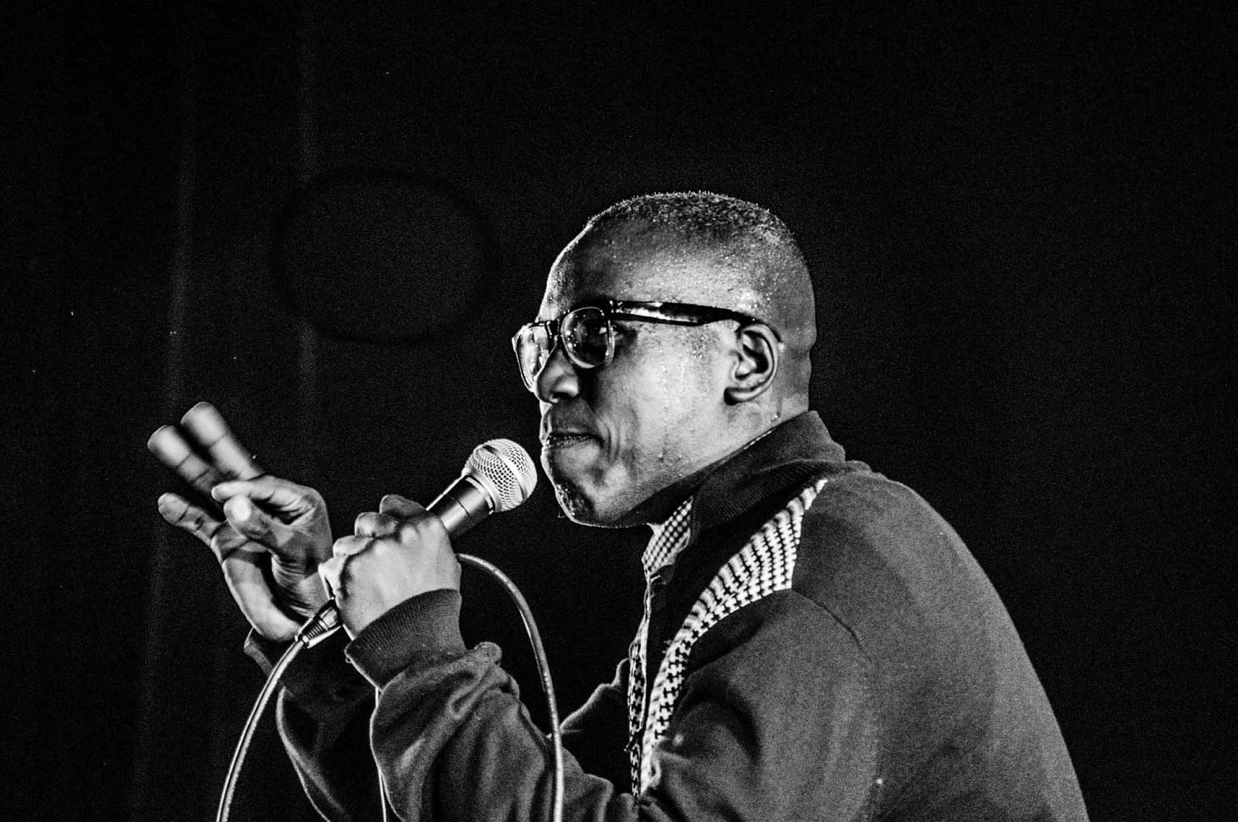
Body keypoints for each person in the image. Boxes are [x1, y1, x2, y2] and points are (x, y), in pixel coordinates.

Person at [153, 192, 1088, 820]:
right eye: (540, 346)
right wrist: (327, 641)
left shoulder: (815, 569)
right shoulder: (728, 556)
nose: (551, 378)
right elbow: (522, 807)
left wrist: (421, 652)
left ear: (746, 362)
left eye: (595, 334)